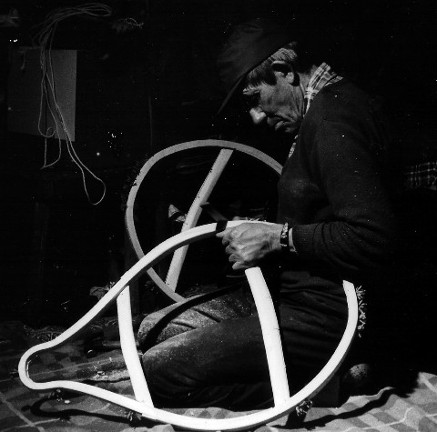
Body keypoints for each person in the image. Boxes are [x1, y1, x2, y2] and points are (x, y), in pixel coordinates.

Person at [138, 17, 398, 410]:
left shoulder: (332, 122)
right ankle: (307, 369)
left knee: (157, 374)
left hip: (327, 318)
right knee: (151, 329)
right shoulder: (319, 110)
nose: (256, 117)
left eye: (253, 98)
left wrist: (277, 238)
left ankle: (328, 382)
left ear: (284, 71)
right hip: (292, 296)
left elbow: (373, 237)